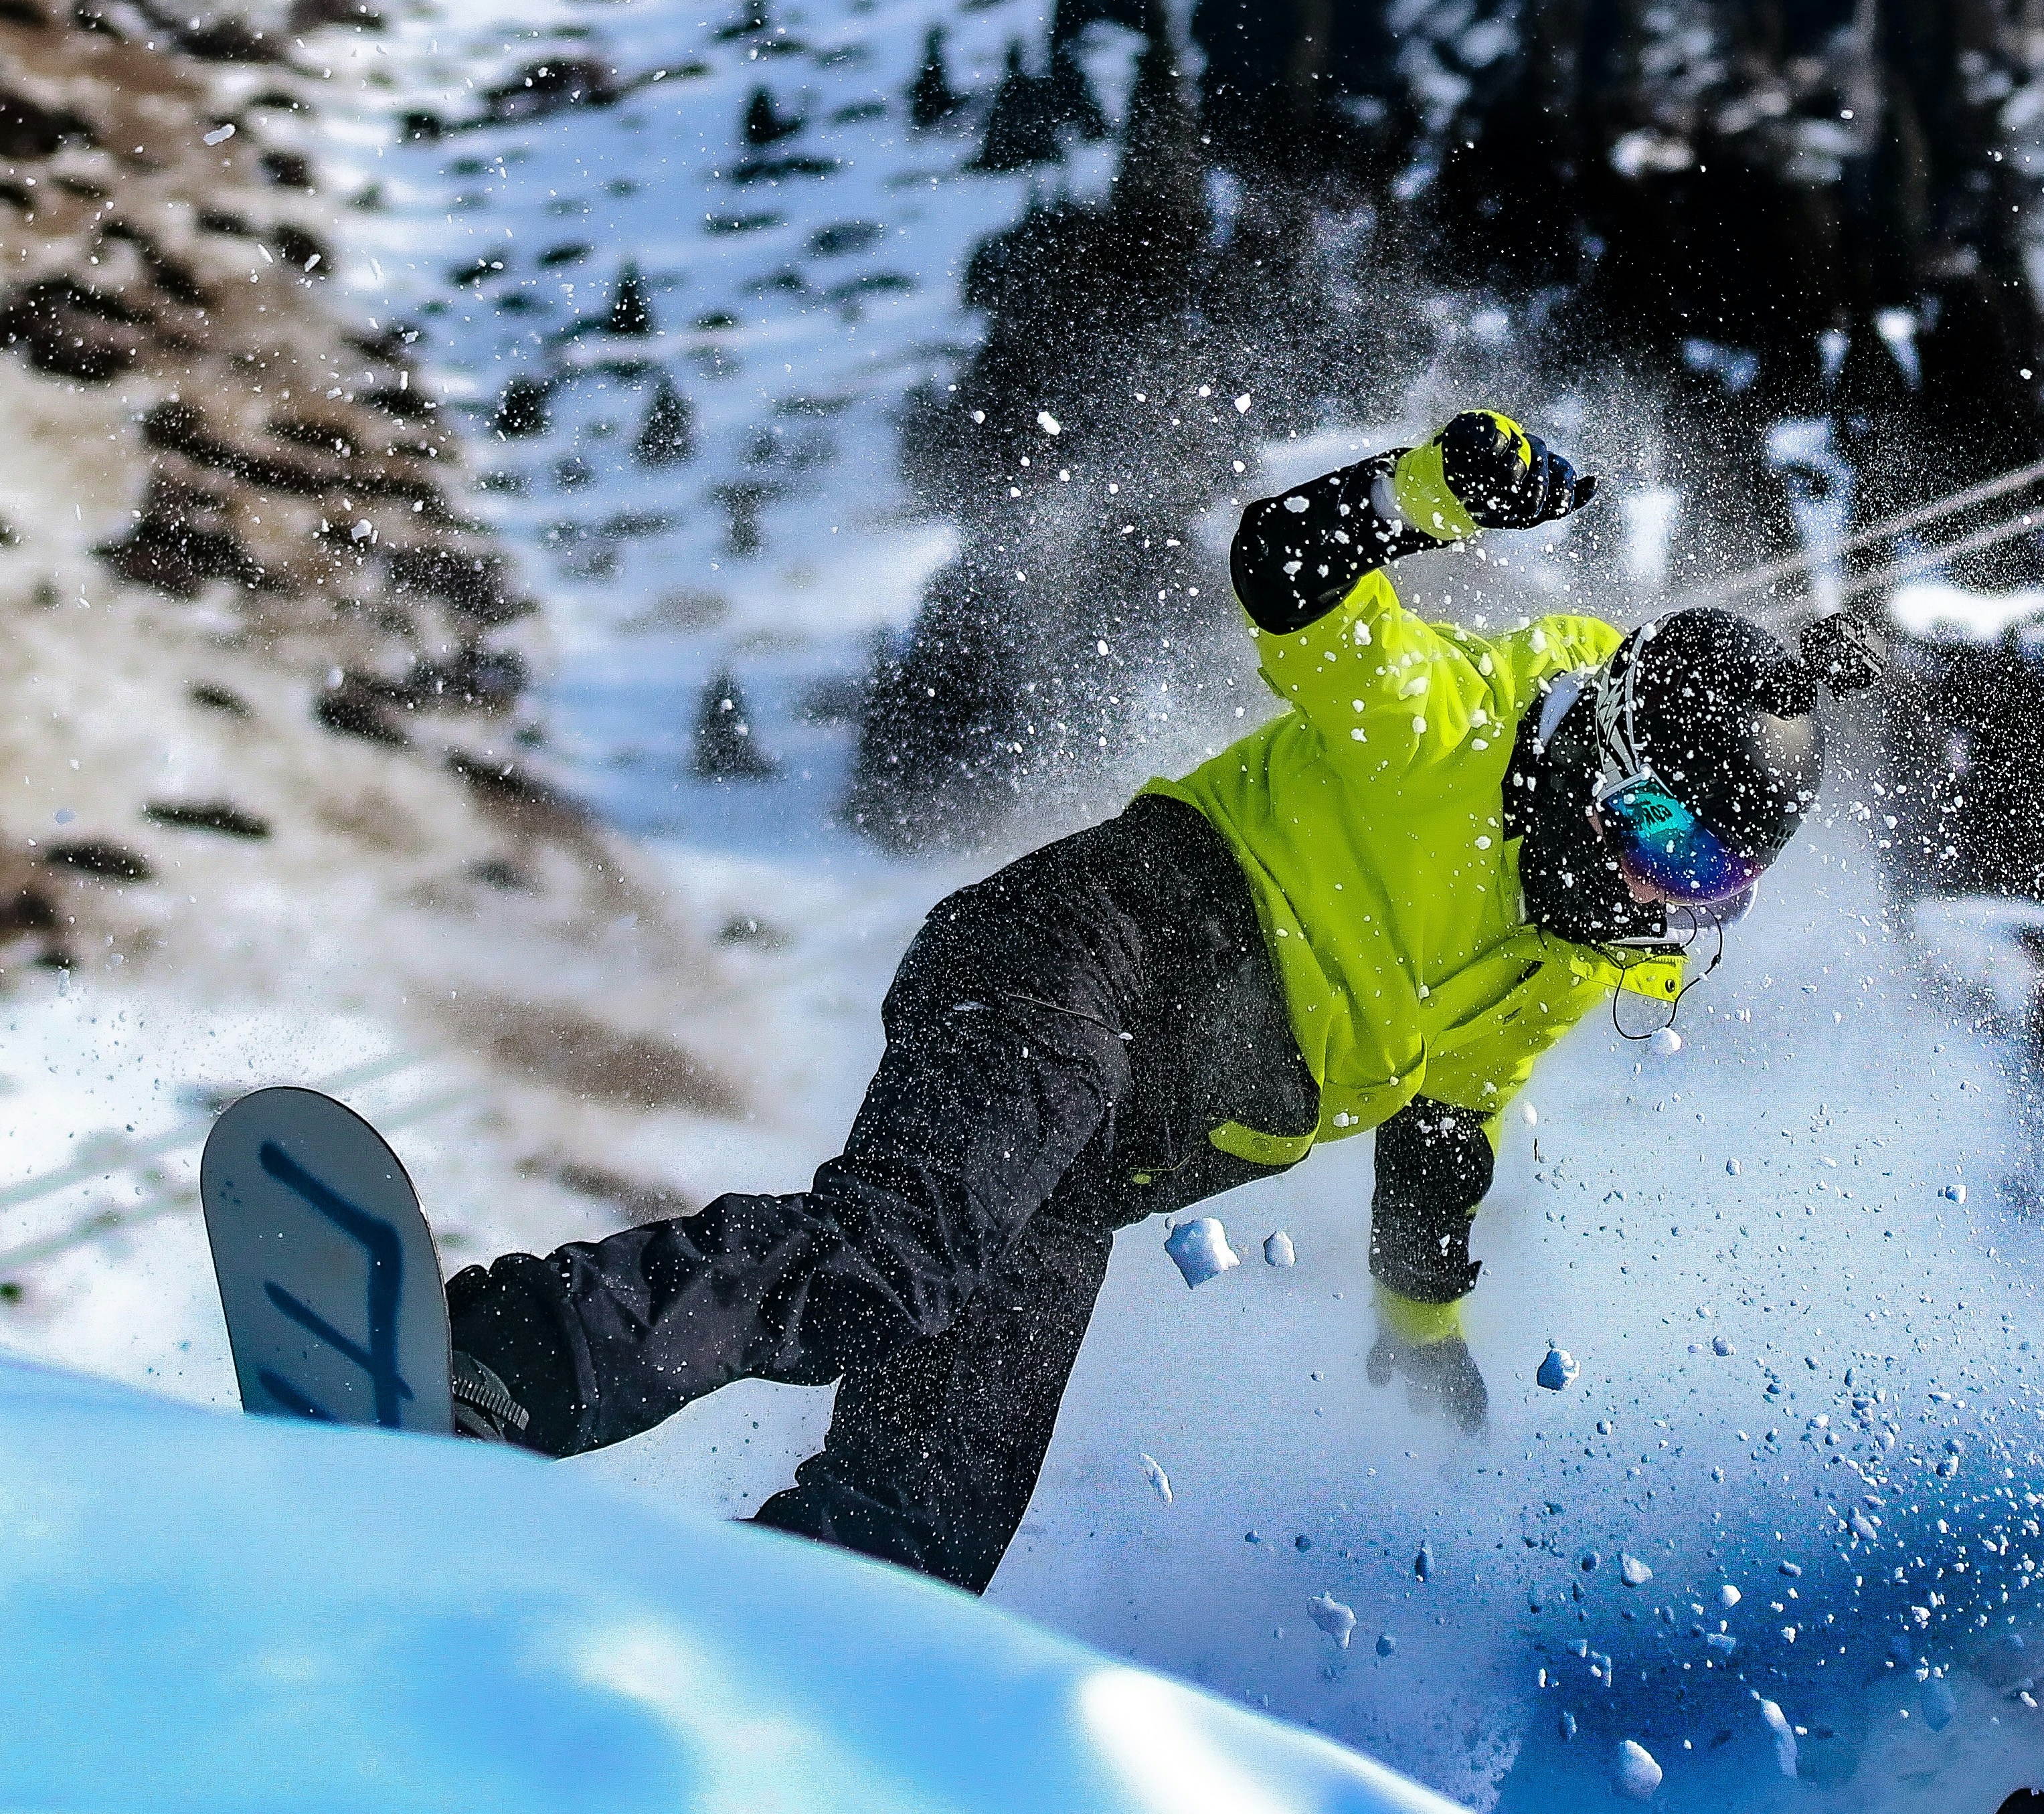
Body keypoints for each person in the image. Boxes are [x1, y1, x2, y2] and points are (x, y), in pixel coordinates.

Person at [442, 410, 1881, 1593]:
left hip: (1093, 1170)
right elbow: (1287, 569)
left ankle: (725, 1678)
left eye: (1708, 890)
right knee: (884, 1265)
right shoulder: (1443, 727)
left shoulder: (1573, 957)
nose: (1657, 900)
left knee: (924, 1532)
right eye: (1662, 847)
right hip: (1077, 965)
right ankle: (482, 1362)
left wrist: (1418, 1331)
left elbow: (1444, 1132)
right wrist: (1428, 491)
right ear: (1597, 764)